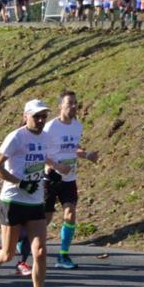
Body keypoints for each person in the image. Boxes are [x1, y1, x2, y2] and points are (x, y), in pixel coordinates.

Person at [0, 99, 72, 287]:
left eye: (44, 116)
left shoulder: (46, 137)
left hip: (35, 202)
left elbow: (43, 156)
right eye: (36, 116)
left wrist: (56, 168)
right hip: (13, 201)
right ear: (25, 116)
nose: (40, 120)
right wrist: (19, 182)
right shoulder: (16, 137)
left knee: (40, 252)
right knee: (8, 255)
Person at [43, 91, 99, 269]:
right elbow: (40, 152)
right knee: (45, 219)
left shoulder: (77, 126)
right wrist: (57, 167)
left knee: (70, 214)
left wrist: (86, 155)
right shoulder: (50, 127)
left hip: (69, 178)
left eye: (75, 103)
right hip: (50, 178)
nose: (74, 106)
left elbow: (73, 148)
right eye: (70, 104)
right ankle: (25, 240)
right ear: (60, 106)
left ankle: (63, 255)